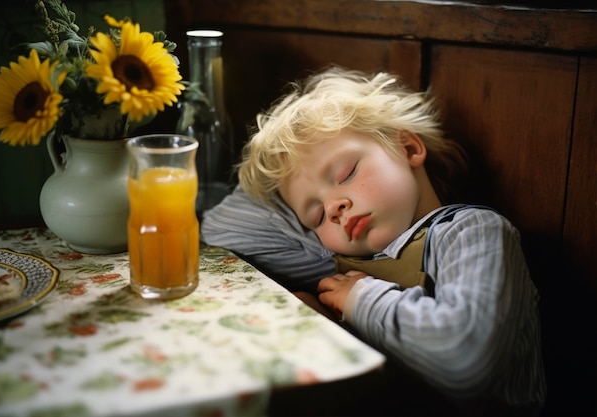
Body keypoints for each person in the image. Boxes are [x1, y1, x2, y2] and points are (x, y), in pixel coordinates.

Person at [201, 66, 545, 415]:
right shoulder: (340, 260)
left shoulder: (471, 231)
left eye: (345, 173)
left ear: (408, 147)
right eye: (315, 216)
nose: (334, 208)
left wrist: (360, 299)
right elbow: (221, 228)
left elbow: (467, 359)